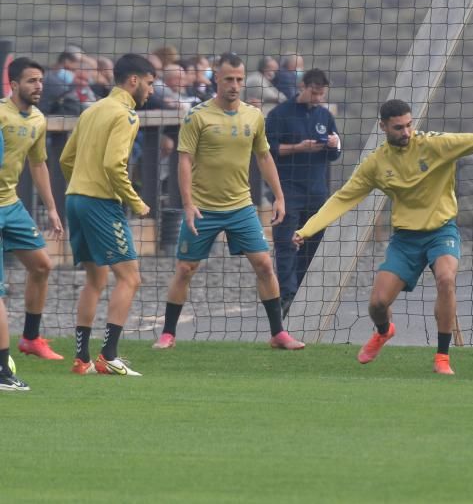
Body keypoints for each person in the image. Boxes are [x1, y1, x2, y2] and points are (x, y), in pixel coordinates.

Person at [293, 98, 473, 374]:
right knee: (377, 304)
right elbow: (342, 199)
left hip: (441, 231)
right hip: (405, 240)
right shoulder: (376, 164)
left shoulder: (435, 145)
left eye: (409, 125)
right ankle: (384, 330)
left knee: (446, 278)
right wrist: (307, 230)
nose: (406, 132)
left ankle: (442, 357)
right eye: (398, 127)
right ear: (383, 127)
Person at [152, 53, 304, 351]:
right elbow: (184, 160)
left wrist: (279, 197)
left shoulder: (254, 116)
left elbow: (264, 156)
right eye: (228, 79)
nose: (234, 85)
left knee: (264, 264)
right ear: (217, 80)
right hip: (203, 208)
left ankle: (278, 333)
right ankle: (168, 333)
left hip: (241, 208)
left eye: (238, 79)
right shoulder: (197, 116)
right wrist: (187, 203)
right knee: (185, 269)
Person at [59, 53, 156, 376]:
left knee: (95, 279)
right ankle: (108, 356)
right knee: (130, 277)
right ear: (134, 81)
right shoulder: (126, 115)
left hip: (75, 199)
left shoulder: (92, 110)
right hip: (101, 202)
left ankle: (81, 359)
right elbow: (114, 165)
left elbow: (65, 159)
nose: (151, 91)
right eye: (150, 83)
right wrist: (136, 201)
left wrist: (82, 182)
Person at [0, 58, 66, 372]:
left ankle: (30, 338)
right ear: (13, 84)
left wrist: (52, 208)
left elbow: (38, 164)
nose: (38, 86)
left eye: (40, 80)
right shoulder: (1, 114)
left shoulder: (38, 119)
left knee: (42, 265)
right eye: (31, 81)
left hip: (11, 206)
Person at [267, 68, 340, 316]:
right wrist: (298, 147)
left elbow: (335, 153)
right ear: (303, 87)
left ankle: (300, 290)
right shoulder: (280, 114)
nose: (318, 98)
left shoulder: (325, 116)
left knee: (314, 241)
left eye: (322, 94)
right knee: (286, 241)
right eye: (314, 92)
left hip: (317, 190)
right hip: (288, 188)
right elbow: (269, 149)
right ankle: (286, 293)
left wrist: (334, 144)